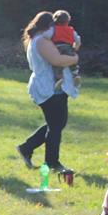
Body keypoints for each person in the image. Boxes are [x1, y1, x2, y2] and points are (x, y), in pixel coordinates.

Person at [15, 11, 78, 173]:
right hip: (48, 87)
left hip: (49, 85)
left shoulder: (38, 39)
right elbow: (57, 60)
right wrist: (75, 59)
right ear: (49, 26)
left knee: (56, 123)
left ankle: (26, 148)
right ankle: (52, 162)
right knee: (56, 125)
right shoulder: (42, 41)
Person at [51, 9, 81, 96]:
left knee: (57, 64)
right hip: (68, 47)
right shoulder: (71, 30)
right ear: (68, 21)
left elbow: (48, 37)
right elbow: (78, 41)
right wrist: (75, 48)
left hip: (57, 47)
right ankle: (75, 75)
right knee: (72, 62)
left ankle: (58, 79)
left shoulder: (53, 29)